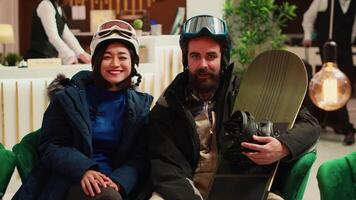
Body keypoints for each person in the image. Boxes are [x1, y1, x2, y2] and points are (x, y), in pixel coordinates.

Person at [148, 15, 320, 200]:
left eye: (211, 56)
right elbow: (167, 168)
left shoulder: (246, 92)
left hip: (243, 190)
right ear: (186, 59)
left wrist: (283, 145)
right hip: (185, 191)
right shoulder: (168, 105)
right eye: (195, 56)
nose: (203, 64)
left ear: (223, 58)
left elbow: (310, 124)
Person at [13, 19, 153, 200]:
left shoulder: (140, 107)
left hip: (116, 183)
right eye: (107, 56)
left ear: (133, 62)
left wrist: (119, 181)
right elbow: (51, 146)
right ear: (96, 60)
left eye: (123, 57)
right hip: (71, 179)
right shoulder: (68, 98)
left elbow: (140, 156)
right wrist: (84, 170)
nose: (115, 63)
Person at [302, 0, 356, 145]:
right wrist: (307, 36)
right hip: (328, 48)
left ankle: (331, 119)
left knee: (347, 82)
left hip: (345, 49)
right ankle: (347, 128)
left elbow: (353, 29)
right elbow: (308, 17)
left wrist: (349, 41)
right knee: (333, 82)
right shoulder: (324, 1)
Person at [25, 0, 91, 64]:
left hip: (49, 58)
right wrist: (69, 55)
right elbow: (53, 36)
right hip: (38, 59)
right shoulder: (45, 5)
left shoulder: (57, 7)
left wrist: (82, 53)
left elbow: (67, 34)